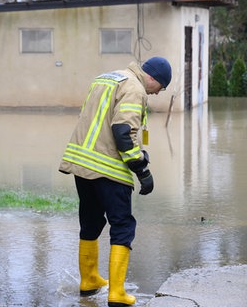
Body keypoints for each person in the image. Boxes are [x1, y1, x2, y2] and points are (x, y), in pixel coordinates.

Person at [59, 56, 172, 306]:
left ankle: (89, 281)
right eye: (160, 88)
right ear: (152, 78)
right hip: (108, 167)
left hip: (82, 164)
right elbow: (123, 132)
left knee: (90, 221)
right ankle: (117, 294)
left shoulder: (106, 78)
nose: (157, 94)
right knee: (122, 226)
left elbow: (95, 120)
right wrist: (142, 169)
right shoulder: (135, 88)